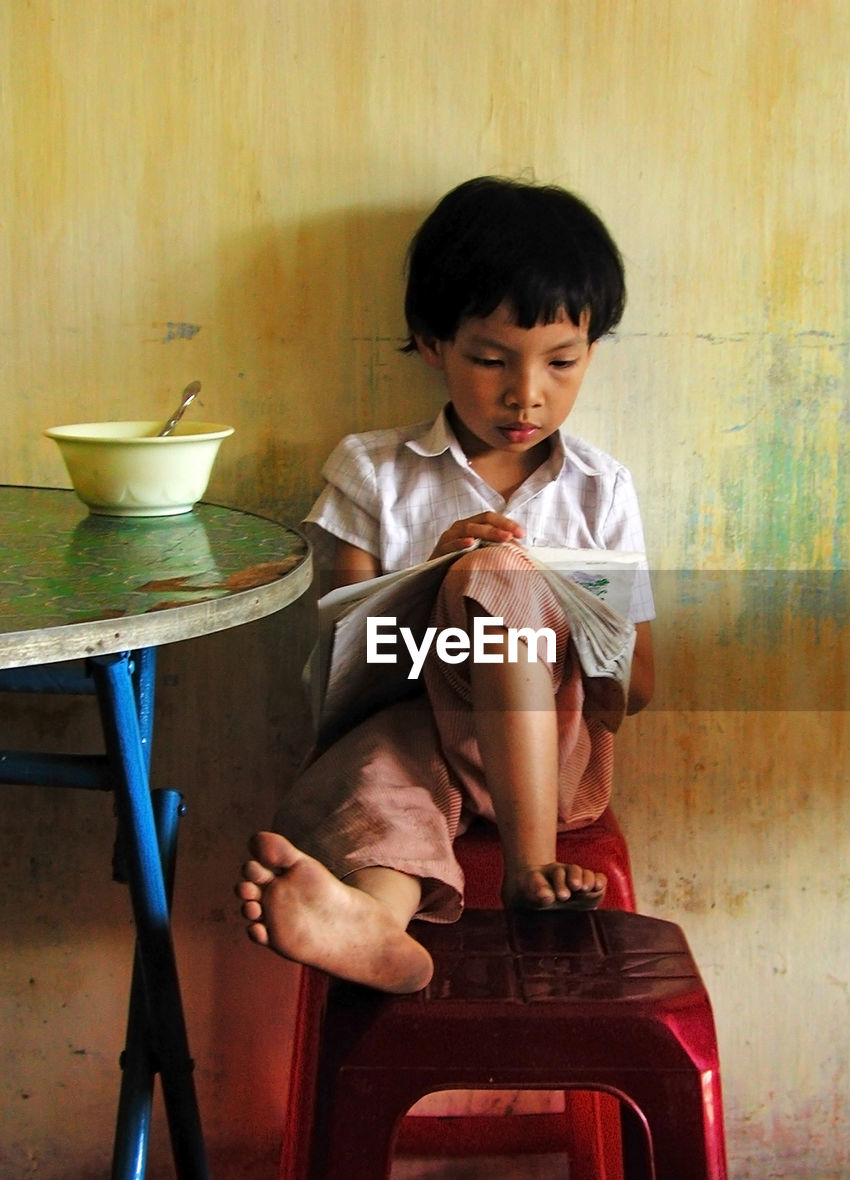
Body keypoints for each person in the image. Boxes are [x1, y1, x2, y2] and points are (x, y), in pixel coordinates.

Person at [236, 176, 655, 994]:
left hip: (552, 756)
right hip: (408, 735)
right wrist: (434, 583)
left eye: (561, 362)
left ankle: (531, 867)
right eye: (491, 359)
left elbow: (636, 691)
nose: (525, 393)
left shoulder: (602, 490)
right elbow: (340, 676)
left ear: (591, 351)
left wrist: (563, 619)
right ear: (433, 344)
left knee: (501, 570)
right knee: (383, 787)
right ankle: (372, 922)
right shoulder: (372, 473)